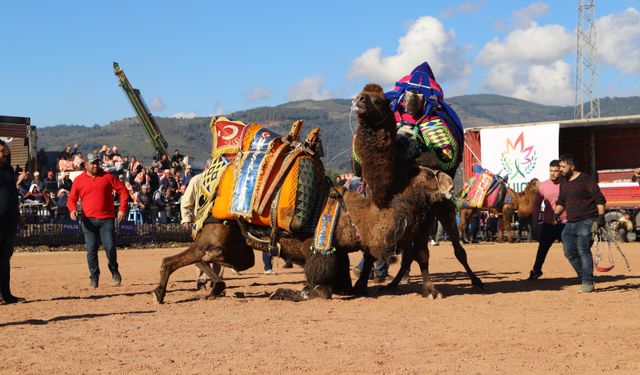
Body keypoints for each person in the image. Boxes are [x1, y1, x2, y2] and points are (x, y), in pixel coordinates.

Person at [68, 153, 129, 288]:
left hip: (106, 218)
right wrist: (72, 209)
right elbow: (71, 198)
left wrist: (122, 209)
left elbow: (123, 191)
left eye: (97, 163)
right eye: (92, 163)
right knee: (91, 250)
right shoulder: (78, 180)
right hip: (88, 220)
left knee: (110, 246)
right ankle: (94, 277)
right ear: (86, 165)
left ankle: (113, 269)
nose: (96, 165)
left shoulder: (107, 177)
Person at [554, 154, 606, 293]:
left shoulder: (586, 180)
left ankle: (587, 282)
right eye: (560, 167)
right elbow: (561, 201)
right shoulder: (563, 182)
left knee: (583, 250)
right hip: (570, 222)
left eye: (563, 167)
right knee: (569, 252)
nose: (561, 170)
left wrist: (601, 216)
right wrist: (556, 213)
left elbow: (600, 199)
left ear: (572, 166)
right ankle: (584, 276)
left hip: (587, 220)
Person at [527, 160, 566, 280]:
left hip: (565, 223)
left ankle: (583, 275)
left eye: (555, 171)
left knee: (570, 251)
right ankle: (536, 271)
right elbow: (537, 205)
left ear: (561, 171)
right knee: (542, 249)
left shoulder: (567, 184)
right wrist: (534, 222)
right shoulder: (543, 186)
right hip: (548, 223)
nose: (553, 173)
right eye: (551, 171)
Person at [0, 140, 25, 303]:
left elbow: (13, 193)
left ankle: (6, 294)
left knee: (5, 257)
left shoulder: (8, 169)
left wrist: (18, 215)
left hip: (9, 219)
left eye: (5, 151)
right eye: (2, 151)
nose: (5, 154)